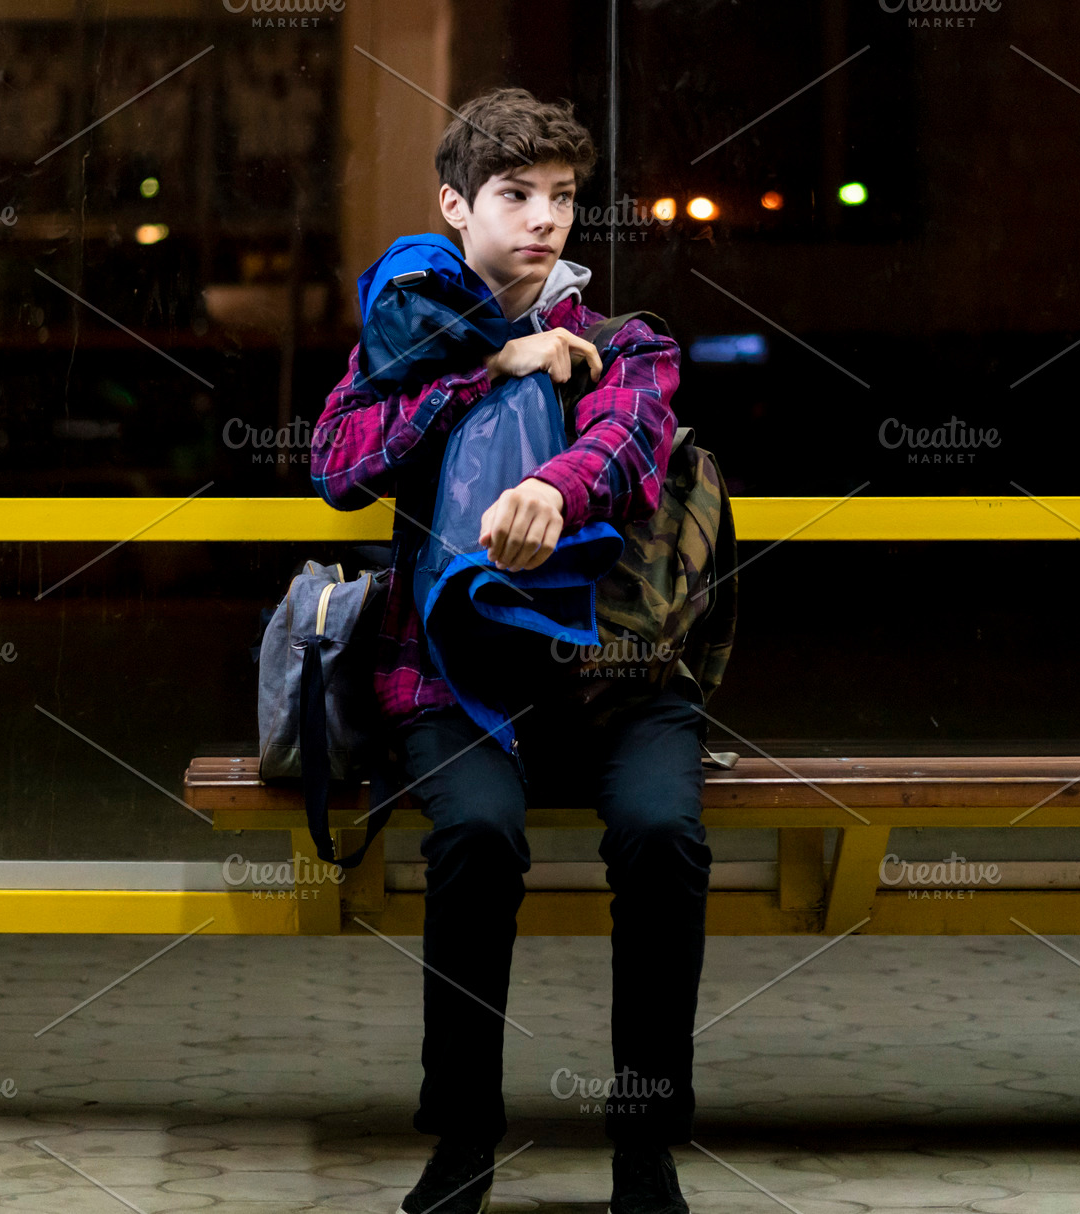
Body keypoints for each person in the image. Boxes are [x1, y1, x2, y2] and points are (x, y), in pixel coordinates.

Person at [311, 87, 706, 1214]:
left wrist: (550, 485)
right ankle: (464, 1137)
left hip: (617, 677)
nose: (543, 219)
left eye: (562, 198)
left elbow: (627, 444)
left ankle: (645, 1145)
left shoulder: (623, 342)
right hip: (452, 677)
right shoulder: (411, 338)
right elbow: (337, 466)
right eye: (515, 195)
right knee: (477, 837)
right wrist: (485, 369)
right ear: (455, 206)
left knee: (663, 837)